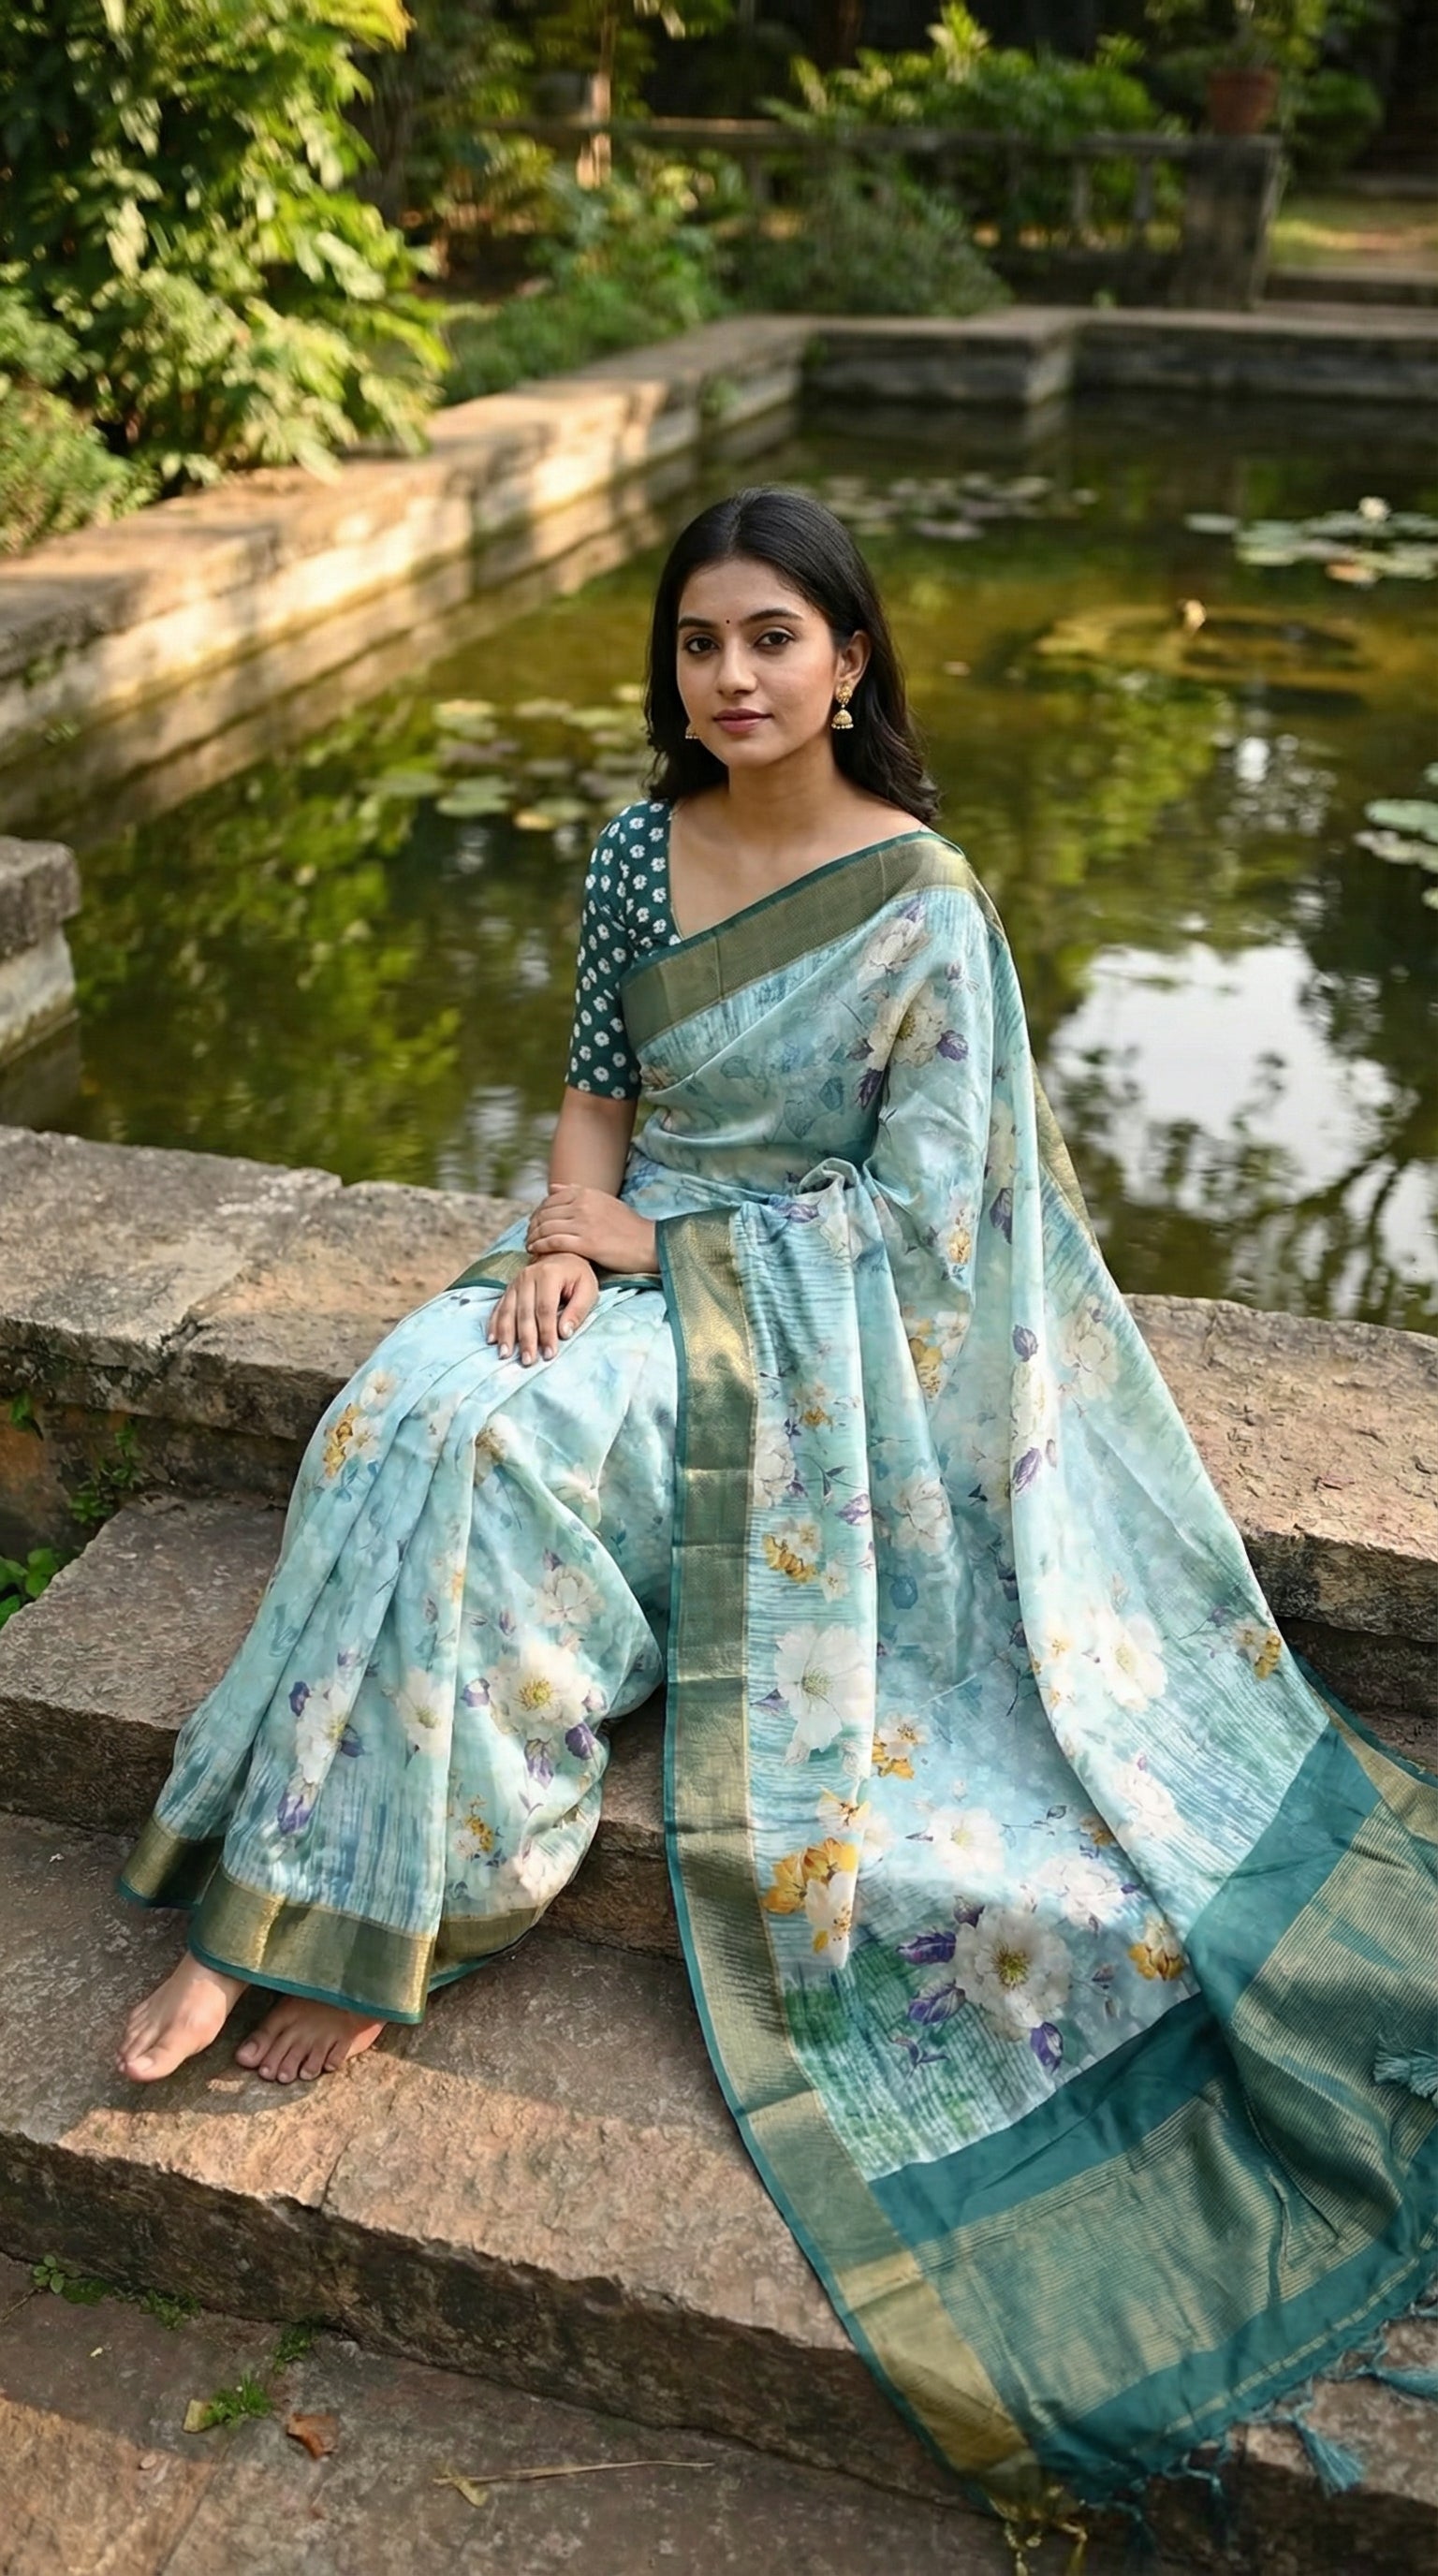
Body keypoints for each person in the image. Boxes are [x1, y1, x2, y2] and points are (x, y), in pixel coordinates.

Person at [113, 488, 1436, 2518]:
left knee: (507, 1452)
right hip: (626, 1249)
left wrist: (661, 1255)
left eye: (772, 639)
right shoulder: (637, 851)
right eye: (698, 642)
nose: (731, 676)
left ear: (849, 660)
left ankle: (382, 1919)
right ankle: (278, 1879)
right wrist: (563, 1232)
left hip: (802, 1329)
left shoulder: (924, 900)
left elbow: (927, 1217)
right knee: (399, 1414)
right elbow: (596, 1090)